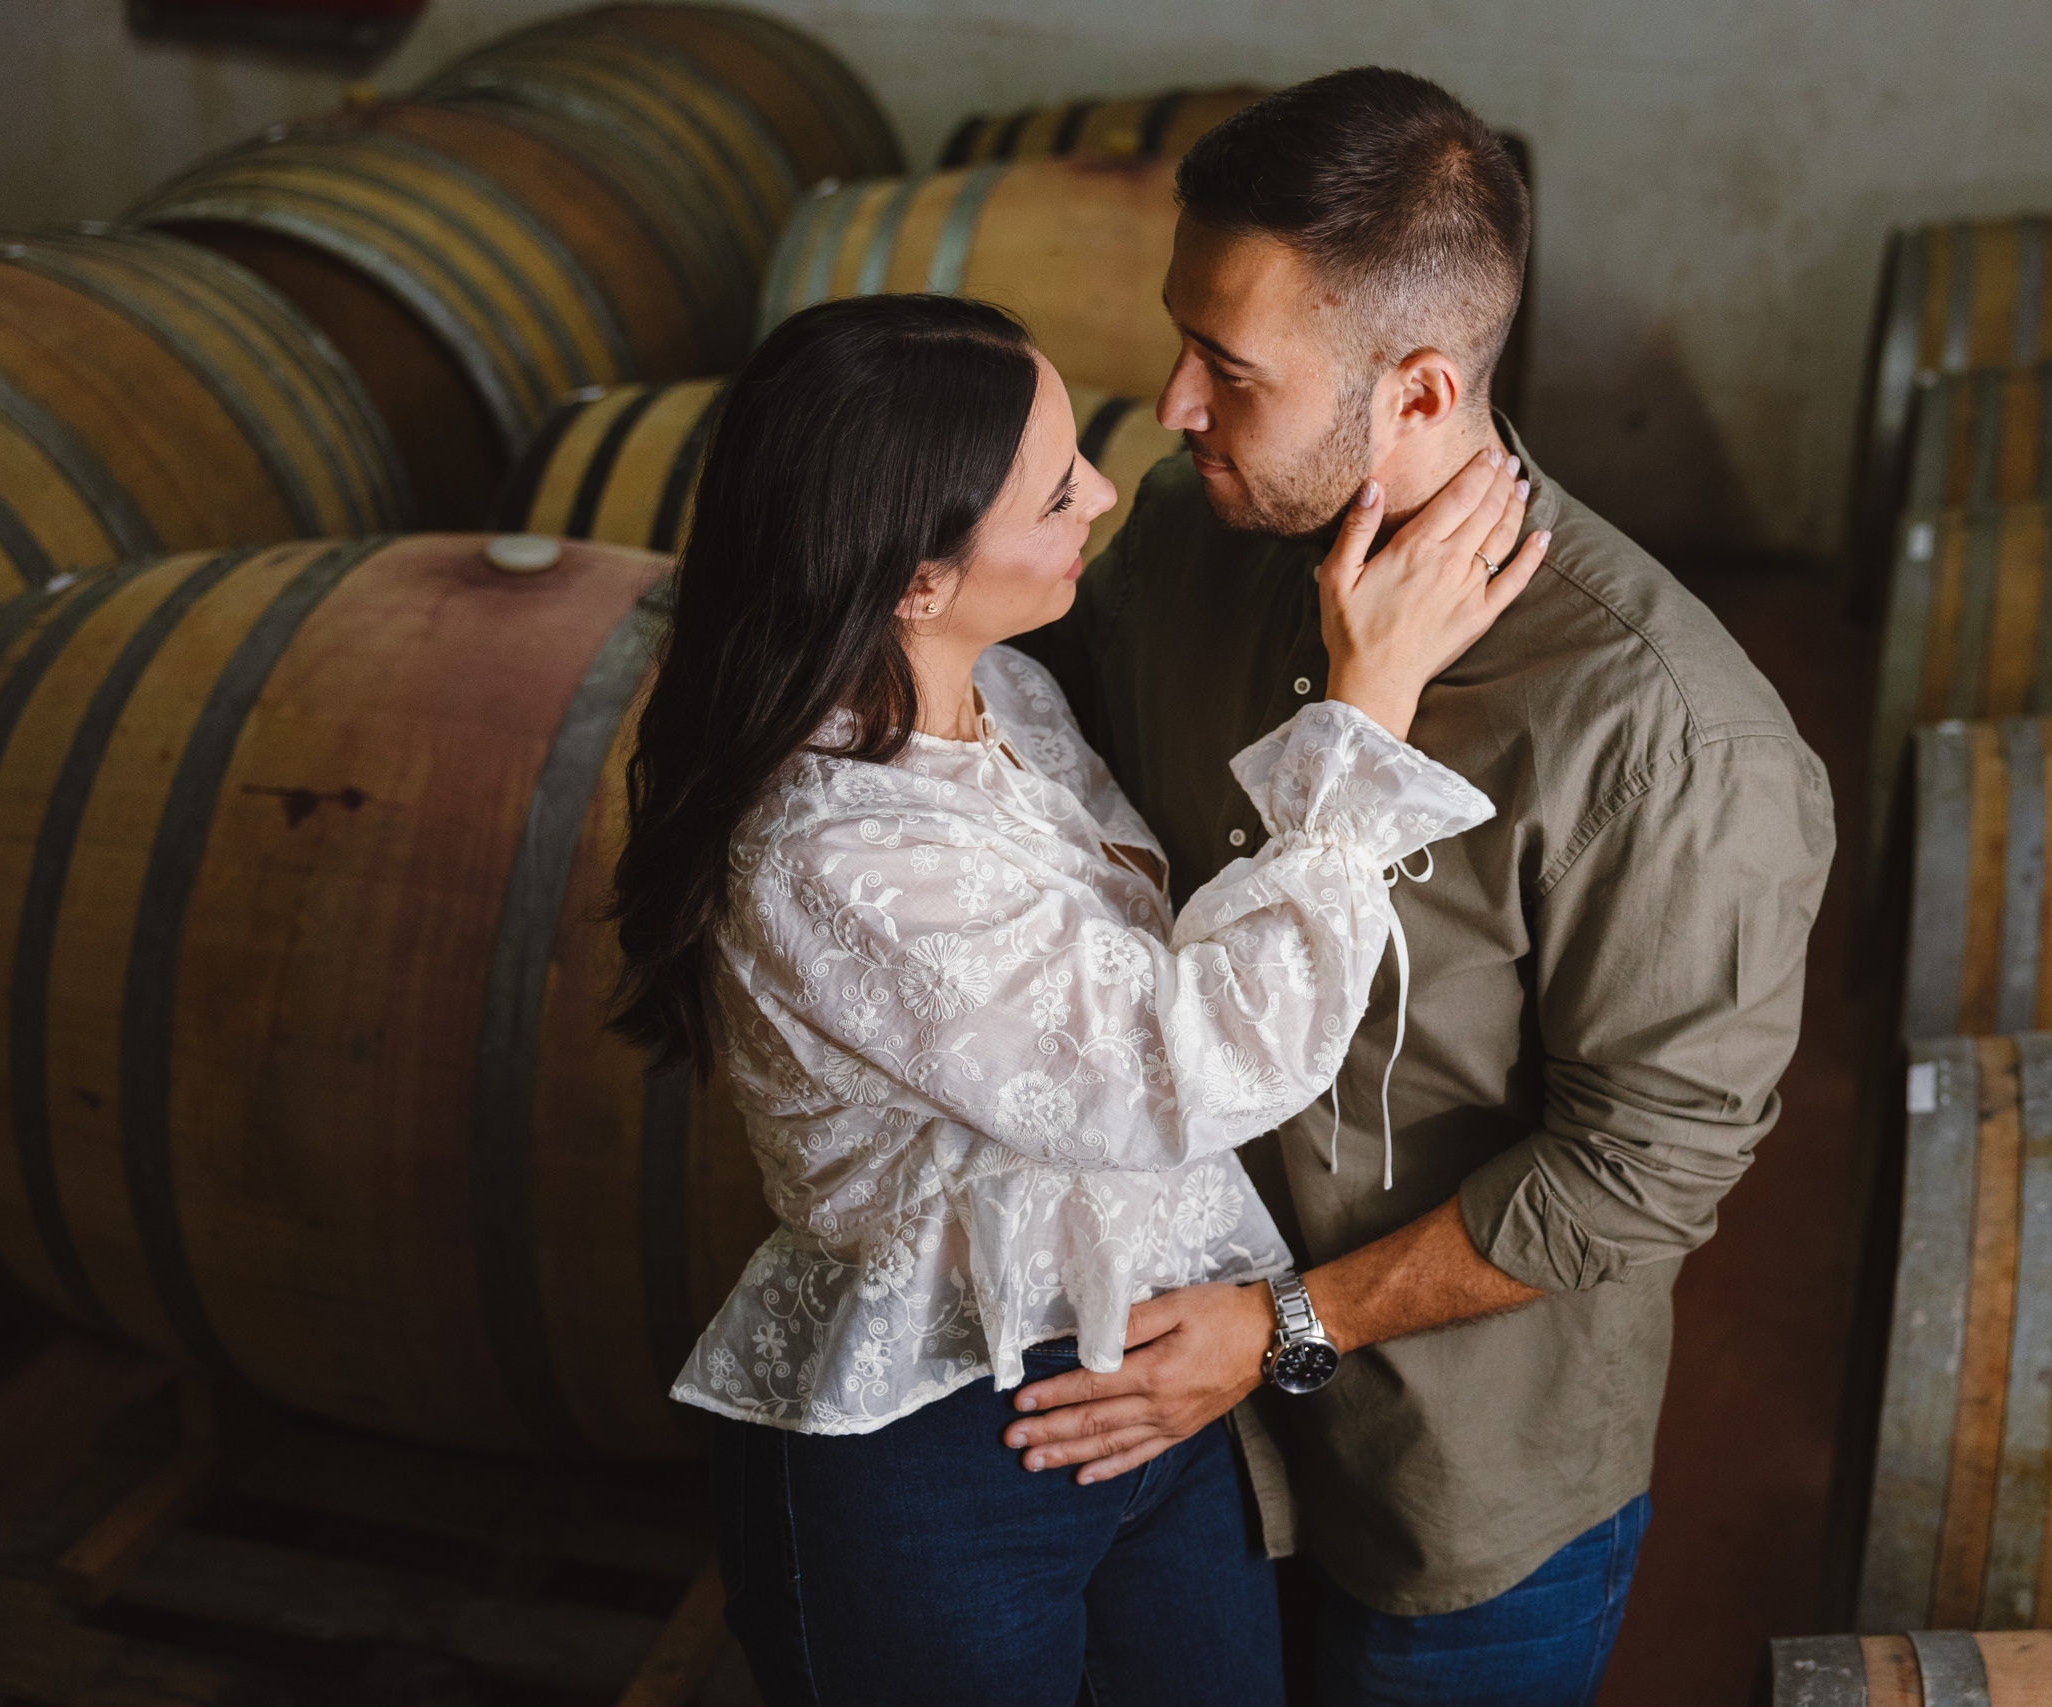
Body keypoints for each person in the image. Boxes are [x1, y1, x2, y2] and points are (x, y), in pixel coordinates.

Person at [1009, 69, 1838, 1705]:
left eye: (1228, 370)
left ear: (1418, 393)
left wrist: (1286, 1325)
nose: (1171, 408)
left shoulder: (1669, 738)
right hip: (1162, 1442)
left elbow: (1643, 1169)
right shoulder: (1191, 540)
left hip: (1450, 1498)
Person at [604, 291, 1546, 1707]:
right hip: (943, 1448)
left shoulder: (1010, 696)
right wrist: (1371, 701)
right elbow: (1182, 1065)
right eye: (1057, 492)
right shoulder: (836, 848)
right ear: (916, 581)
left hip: (1155, 1380)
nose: (1108, 493)